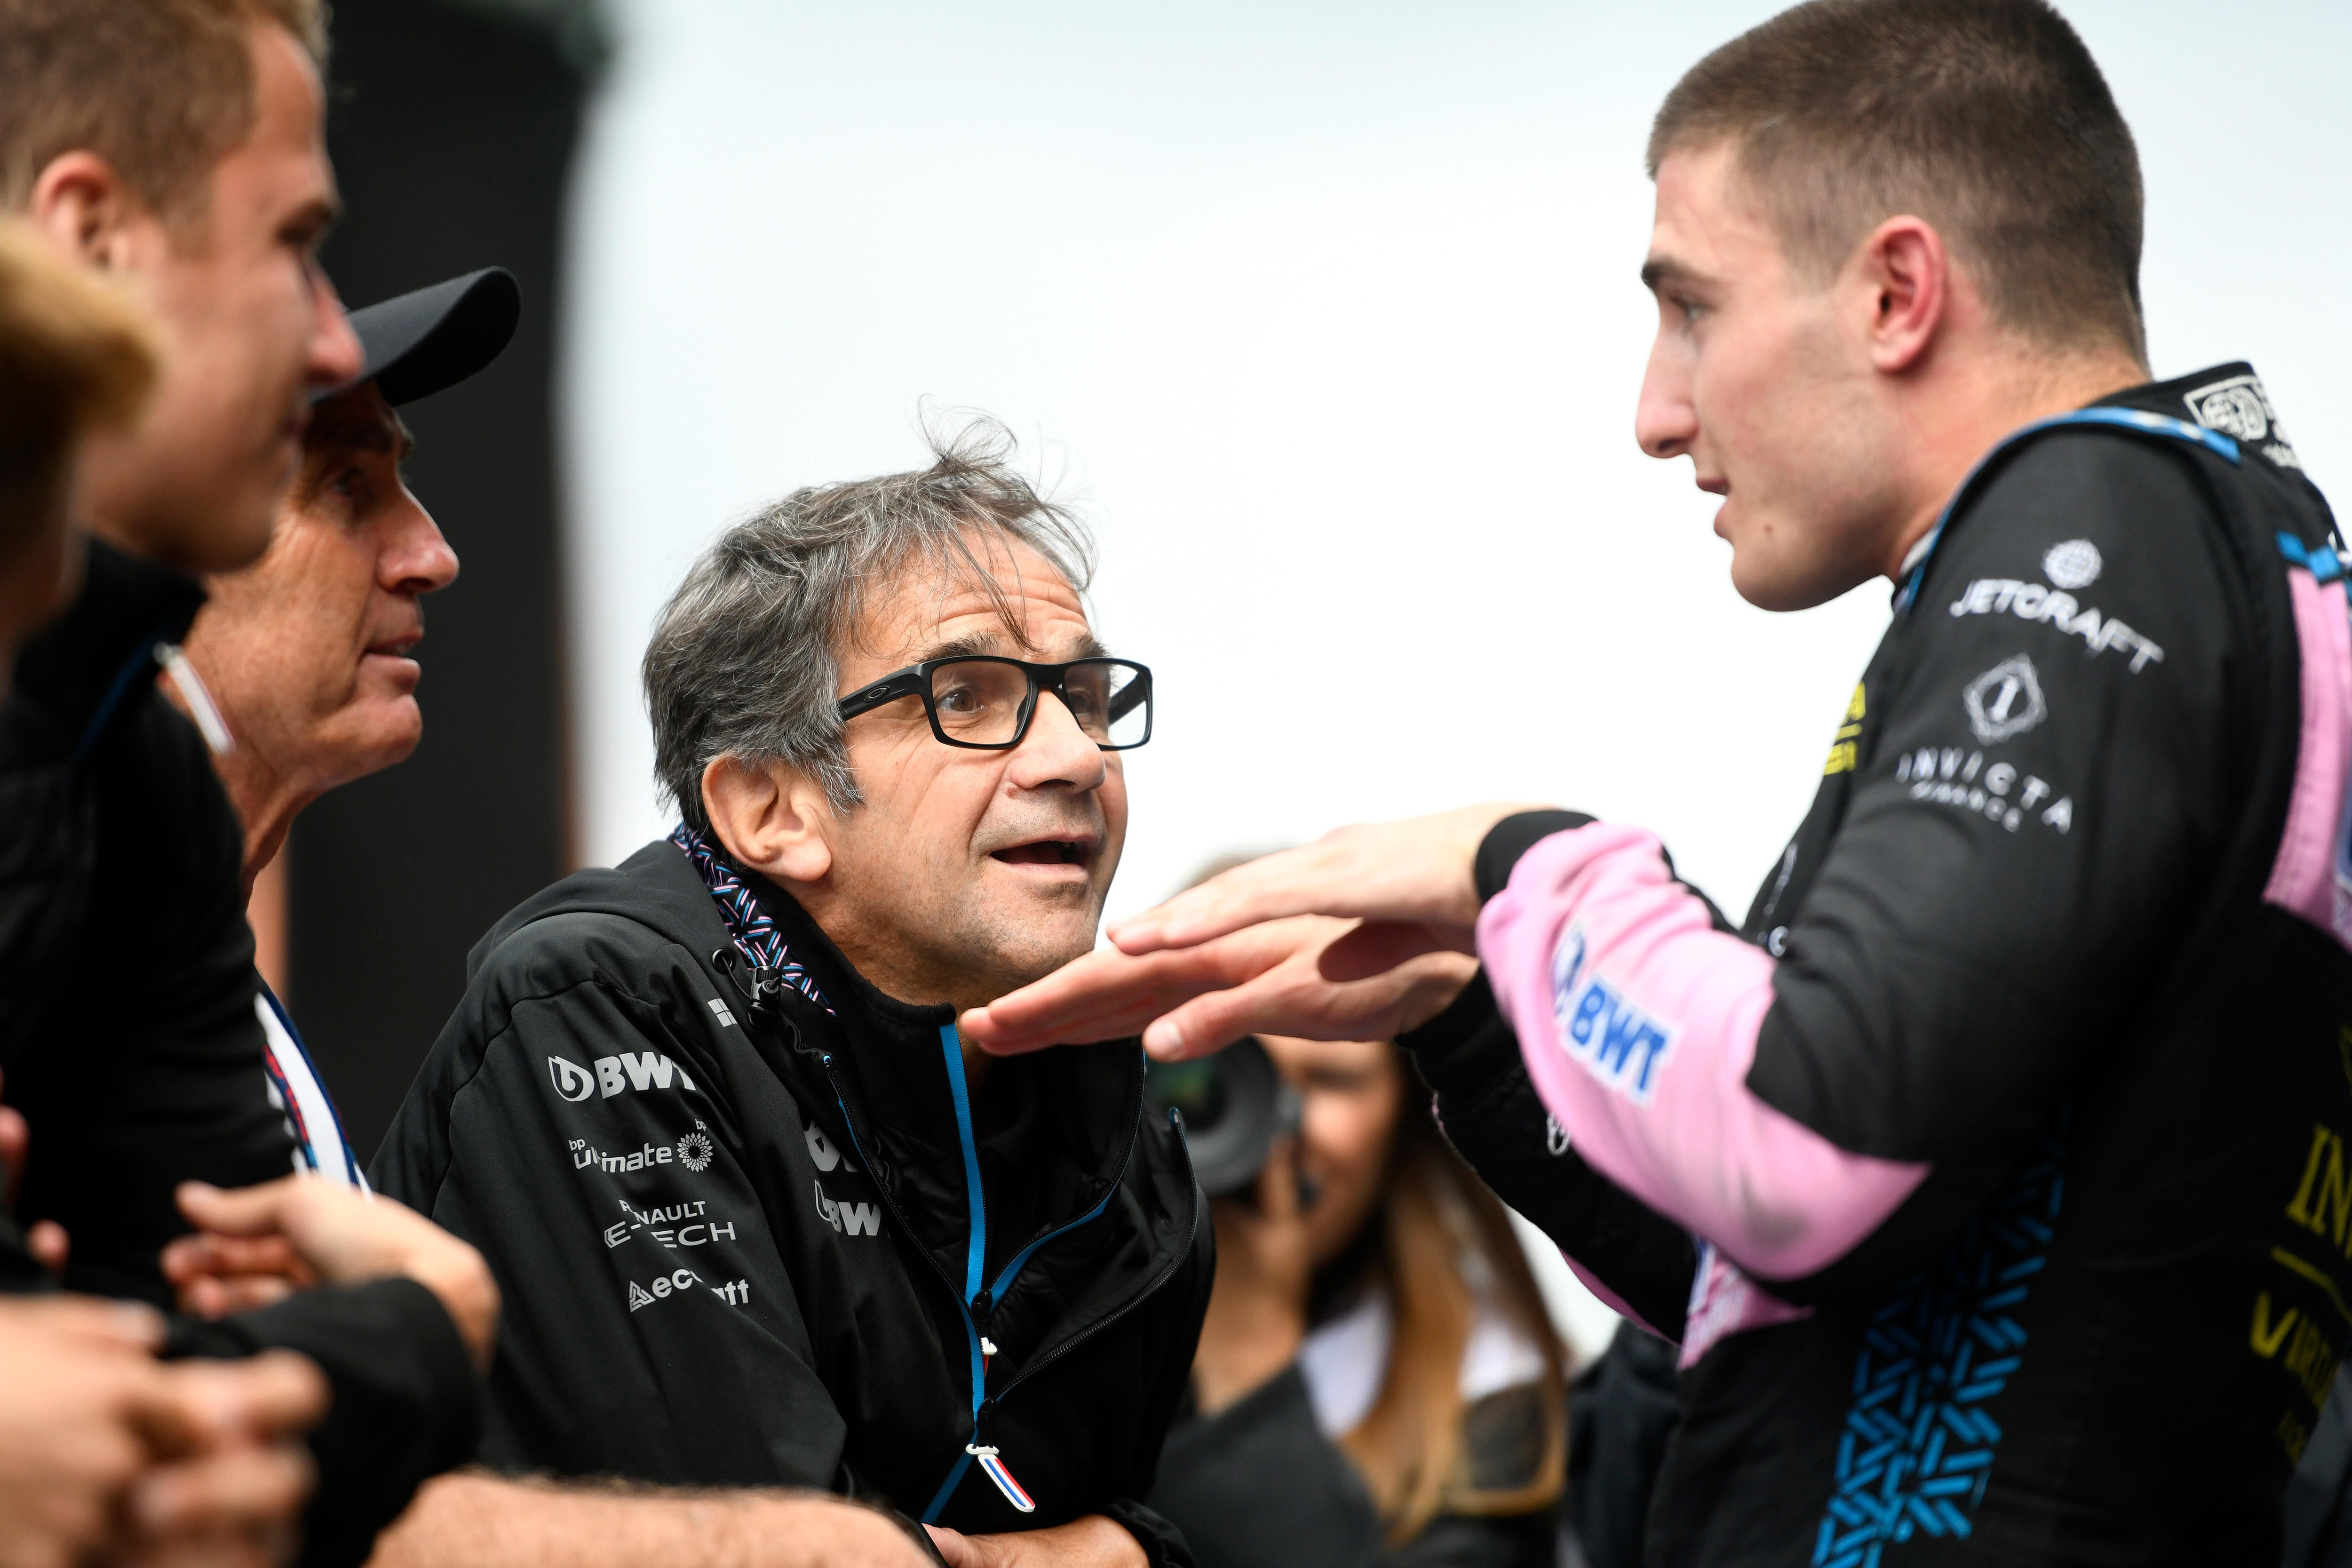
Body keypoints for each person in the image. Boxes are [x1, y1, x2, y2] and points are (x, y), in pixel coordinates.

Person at [962, 1, 2352, 1561]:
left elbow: (1812, 1143)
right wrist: (1479, 1016)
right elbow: (1787, 1265)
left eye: (1691, 307)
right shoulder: (2232, 558)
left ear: (1898, 292)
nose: (1655, 412)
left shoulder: (2100, 523)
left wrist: (1528, 869)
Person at [153, 269, 943, 1568]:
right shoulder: (51, 959)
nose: (434, 551)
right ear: (133, 529)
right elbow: (162, 1492)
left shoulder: (203, 983)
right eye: (345, 485)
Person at [372, 426, 1208, 1568]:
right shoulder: (599, 1014)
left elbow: (1178, 1526)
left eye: (1084, 696)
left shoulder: (1119, 1105)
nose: (1074, 757)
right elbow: (769, 1546)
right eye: (967, 697)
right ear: (771, 809)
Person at [0, 2, 497, 1563]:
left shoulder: (122, 763)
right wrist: (427, 1317)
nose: (330, 339)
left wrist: (419, 1317)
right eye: (298, 246)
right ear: (90, 234)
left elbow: (191, 1425)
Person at [0, 214, 334, 1568]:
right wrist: (429, 1325)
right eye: (340, 480)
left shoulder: (145, 803)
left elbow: (226, 1389)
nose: (433, 554)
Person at [1149, 1024, 1568, 1568]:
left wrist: (1251, 1366)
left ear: (1410, 1112)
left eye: (1329, 1079)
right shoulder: (1063, 1298)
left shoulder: (1492, 1389)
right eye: (1215, 1071)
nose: (1273, 1127)